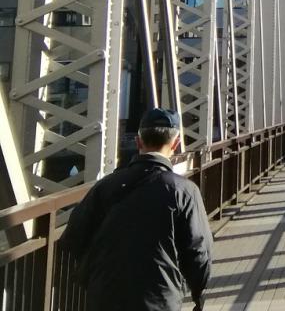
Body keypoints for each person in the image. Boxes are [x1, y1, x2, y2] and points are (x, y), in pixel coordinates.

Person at [61, 108, 213, 310]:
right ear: (175, 144)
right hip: (159, 299)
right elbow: (198, 249)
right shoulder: (184, 191)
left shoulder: (106, 186)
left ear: (138, 142)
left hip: (106, 296)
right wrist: (198, 292)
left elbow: (74, 236)